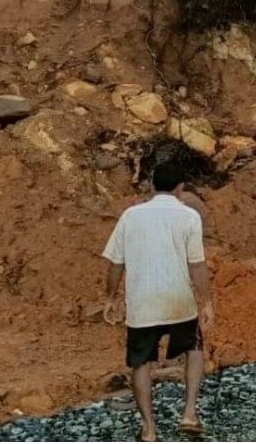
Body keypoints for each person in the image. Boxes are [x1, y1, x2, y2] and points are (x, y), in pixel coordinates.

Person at [101, 160, 213, 442]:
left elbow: (116, 263)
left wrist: (110, 298)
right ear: (180, 188)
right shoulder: (189, 217)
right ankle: (189, 413)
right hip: (179, 300)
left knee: (141, 363)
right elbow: (197, 265)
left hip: (143, 304)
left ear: (152, 185)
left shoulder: (130, 215)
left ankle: (149, 428)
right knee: (195, 348)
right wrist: (207, 301)